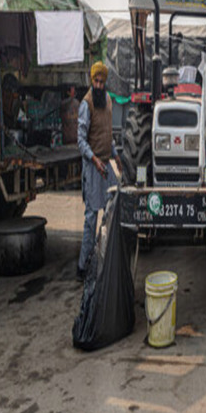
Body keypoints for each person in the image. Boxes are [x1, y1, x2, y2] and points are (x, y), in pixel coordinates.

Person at [77, 62, 122, 279]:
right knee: (91, 219)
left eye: (101, 82)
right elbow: (80, 141)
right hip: (93, 166)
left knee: (113, 210)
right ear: (91, 81)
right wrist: (94, 159)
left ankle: (105, 261)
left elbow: (107, 134)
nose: (98, 84)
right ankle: (82, 266)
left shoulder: (108, 100)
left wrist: (116, 156)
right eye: (95, 81)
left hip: (105, 165)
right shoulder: (86, 105)